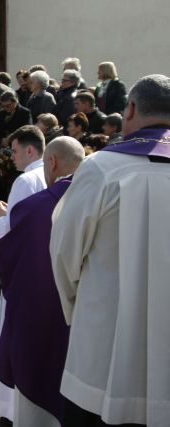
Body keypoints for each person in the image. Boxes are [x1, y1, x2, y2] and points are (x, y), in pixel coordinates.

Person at [51, 74, 170, 427]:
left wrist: (77, 308)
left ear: (130, 109)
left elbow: (63, 254)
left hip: (104, 346)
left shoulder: (101, 167)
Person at [0, 136, 85, 427]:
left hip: (40, 308)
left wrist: (5, 219)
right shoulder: (100, 199)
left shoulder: (36, 206)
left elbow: (10, 245)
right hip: (84, 317)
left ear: (52, 161)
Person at [0, 125, 47, 423]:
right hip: (44, 271)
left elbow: (14, 231)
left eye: (13, 151)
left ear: (29, 150)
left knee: (12, 339)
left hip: (21, 271)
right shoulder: (52, 176)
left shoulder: (26, 180)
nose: (10, 157)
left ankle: (10, 409)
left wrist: (3, 217)